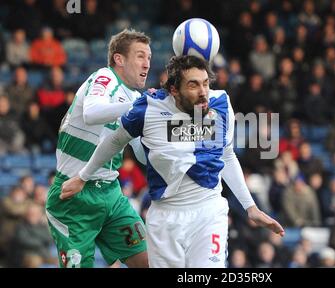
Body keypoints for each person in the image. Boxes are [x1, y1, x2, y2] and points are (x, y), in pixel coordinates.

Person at [61, 55, 285, 268]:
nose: (203, 92)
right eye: (193, 85)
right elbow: (114, 141)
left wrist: (251, 207)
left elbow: (226, 154)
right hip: (166, 217)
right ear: (173, 90)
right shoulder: (148, 108)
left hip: (209, 210)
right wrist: (83, 177)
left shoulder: (221, 103)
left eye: (206, 83)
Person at [45, 29, 151, 268]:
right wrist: (137, 106)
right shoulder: (104, 77)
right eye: (140, 56)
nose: (147, 64)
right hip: (74, 199)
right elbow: (91, 113)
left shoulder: (134, 97)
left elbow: (142, 156)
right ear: (119, 59)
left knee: (149, 262)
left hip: (111, 195)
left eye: (149, 58)